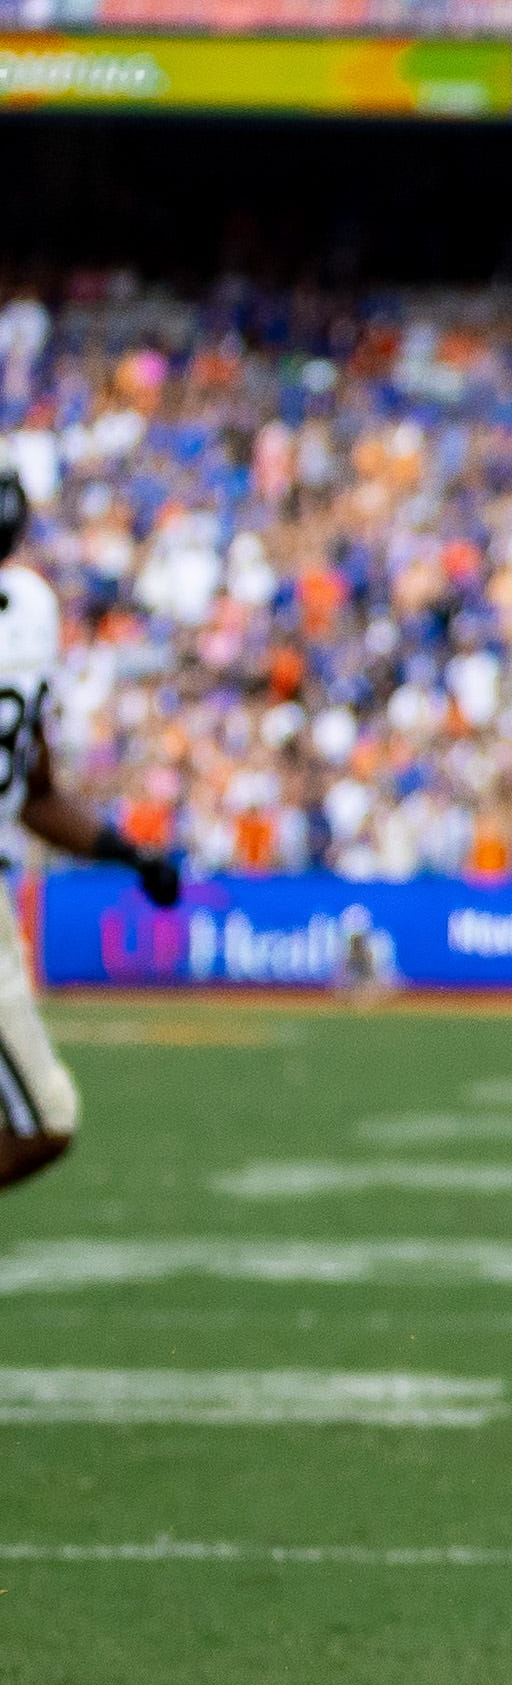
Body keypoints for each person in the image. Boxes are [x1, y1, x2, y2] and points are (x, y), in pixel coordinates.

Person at [0, 467, 186, 1188]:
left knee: (44, 1118)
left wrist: (128, 854)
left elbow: (31, 790)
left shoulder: (29, 613)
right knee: (43, 1117)